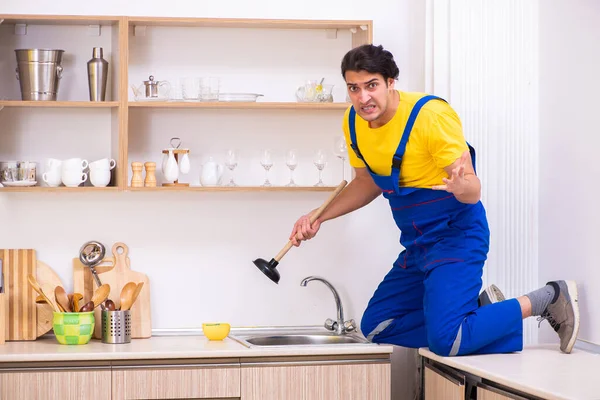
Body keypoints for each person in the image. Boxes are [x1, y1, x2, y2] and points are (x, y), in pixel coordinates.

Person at [289, 44, 580, 356]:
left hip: (456, 236)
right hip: (417, 245)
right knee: (377, 326)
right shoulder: (353, 123)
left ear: (390, 82)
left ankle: (548, 297)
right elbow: (366, 182)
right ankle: (476, 319)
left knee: (446, 341)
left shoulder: (430, 116)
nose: (363, 98)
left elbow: (474, 190)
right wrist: (319, 215)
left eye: (371, 85)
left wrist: (460, 186)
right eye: (354, 88)